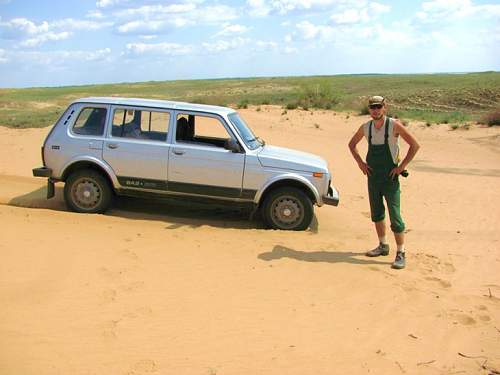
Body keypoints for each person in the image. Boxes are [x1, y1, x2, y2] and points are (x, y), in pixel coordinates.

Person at [348, 96, 420, 269]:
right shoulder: (366, 127)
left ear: (384, 107)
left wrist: (400, 167)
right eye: (372, 107)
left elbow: (415, 145)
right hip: (373, 177)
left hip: (390, 178)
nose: (375, 110)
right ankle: (382, 245)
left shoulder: (394, 125)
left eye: (378, 107)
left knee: (395, 215)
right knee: (377, 213)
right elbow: (351, 145)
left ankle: (401, 252)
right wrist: (361, 163)